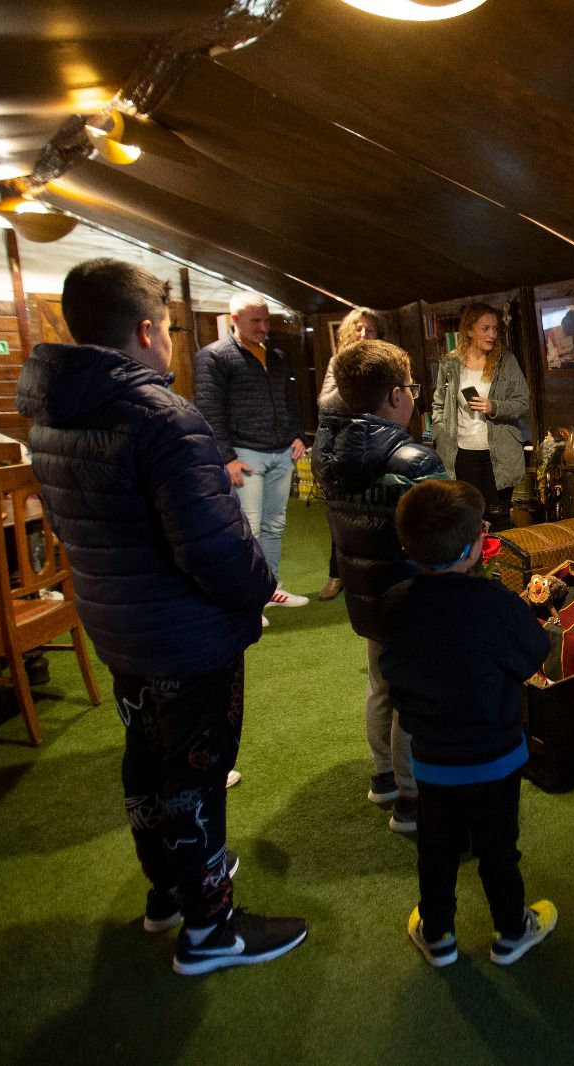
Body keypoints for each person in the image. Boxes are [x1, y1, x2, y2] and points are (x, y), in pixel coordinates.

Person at [16, 258, 307, 975]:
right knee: (197, 771)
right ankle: (211, 929)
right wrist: (257, 588)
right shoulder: (161, 418)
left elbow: (63, 521)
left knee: (146, 757)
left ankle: (169, 891)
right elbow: (212, 545)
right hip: (185, 634)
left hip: (118, 626)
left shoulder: (50, 414)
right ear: (148, 331)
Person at [380, 480, 555, 968]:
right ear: (475, 547)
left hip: (433, 760)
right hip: (497, 757)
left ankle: (437, 934)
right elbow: (533, 654)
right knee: (499, 849)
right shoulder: (494, 604)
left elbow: (393, 670)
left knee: (436, 849)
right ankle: (511, 930)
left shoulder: (395, 602)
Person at [311, 338, 445, 829]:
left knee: (380, 684)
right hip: (412, 595)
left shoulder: (327, 448)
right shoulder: (414, 460)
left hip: (366, 591)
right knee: (411, 695)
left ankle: (385, 777)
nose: (414, 397)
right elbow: (445, 534)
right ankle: (412, 801)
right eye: (410, 388)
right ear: (394, 395)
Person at [195, 292, 309, 608]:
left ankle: (268, 588)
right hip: (245, 455)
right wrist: (227, 458)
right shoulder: (215, 357)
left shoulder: (276, 356)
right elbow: (209, 410)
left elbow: (290, 400)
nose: (262, 326)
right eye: (255, 320)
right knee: (248, 528)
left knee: (274, 525)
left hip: (280, 452)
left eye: (266, 320)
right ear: (235, 320)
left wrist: (297, 435)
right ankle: (246, 597)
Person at [429, 302, 529, 531]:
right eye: (485, 328)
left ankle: (503, 564)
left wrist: (494, 406)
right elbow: (439, 404)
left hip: (499, 453)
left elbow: (522, 403)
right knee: (469, 514)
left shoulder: (506, 362)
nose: (492, 334)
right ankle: (477, 564)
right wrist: (438, 434)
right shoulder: (451, 364)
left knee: (499, 516)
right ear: (469, 331)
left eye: (495, 329)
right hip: (462, 453)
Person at [315, 306, 382, 602]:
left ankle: (374, 574)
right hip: (347, 446)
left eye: (370, 330)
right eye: (359, 328)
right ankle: (337, 574)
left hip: (380, 443)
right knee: (344, 512)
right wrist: (353, 382)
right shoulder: (338, 362)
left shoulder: (387, 361)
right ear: (348, 332)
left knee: (378, 511)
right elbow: (325, 402)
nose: (364, 334)